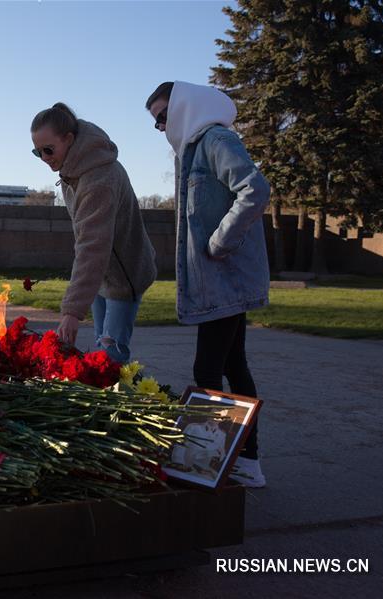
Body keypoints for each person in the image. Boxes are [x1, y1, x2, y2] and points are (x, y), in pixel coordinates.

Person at [145, 81, 270, 487]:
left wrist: (219, 241)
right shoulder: (193, 150)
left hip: (227, 278)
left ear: (183, 107)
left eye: (163, 116)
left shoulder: (215, 139)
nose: (161, 126)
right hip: (221, 280)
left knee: (208, 368)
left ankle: (204, 462)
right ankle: (246, 463)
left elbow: (255, 189)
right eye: (156, 121)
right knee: (233, 364)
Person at [30, 103, 157, 362]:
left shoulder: (98, 179)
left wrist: (72, 312)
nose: (44, 158)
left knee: (111, 358)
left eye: (48, 149)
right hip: (101, 275)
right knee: (101, 354)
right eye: (37, 152)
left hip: (124, 276)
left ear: (69, 139)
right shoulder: (72, 173)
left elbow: (92, 245)